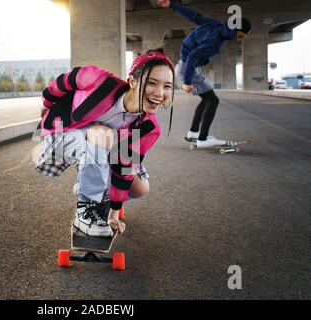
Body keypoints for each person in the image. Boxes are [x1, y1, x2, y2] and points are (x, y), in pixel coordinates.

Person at [35, 48, 175, 237]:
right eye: (152, 83)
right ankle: (85, 211)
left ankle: (101, 199)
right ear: (132, 82)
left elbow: (124, 166)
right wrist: (47, 103)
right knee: (103, 133)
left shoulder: (148, 127)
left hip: (102, 149)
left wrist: (113, 214)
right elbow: (65, 80)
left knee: (140, 187)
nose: (160, 93)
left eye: (167, 86)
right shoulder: (99, 81)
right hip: (62, 135)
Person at [159, 0, 251, 148]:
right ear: (237, 29)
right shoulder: (215, 40)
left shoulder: (216, 24)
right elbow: (193, 57)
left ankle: (194, 133)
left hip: (187, 66)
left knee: (206, 99)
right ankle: (203, 139)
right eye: (242, 35)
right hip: (188, 67)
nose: (242, 38)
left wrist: (172, 4)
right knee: (212, 100)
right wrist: (187, 82)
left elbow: (195, 16)